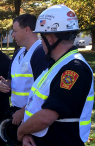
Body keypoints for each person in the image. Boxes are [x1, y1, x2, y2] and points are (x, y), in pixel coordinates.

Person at [17, 5, 94, 146]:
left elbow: (46, 117)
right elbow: (37, 103)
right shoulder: (57, 64)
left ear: (50, 39)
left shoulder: (74, 70)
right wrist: (29, 131)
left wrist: (21, 131)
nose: (41, 42)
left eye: (42, 37)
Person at [0, 14, 48, 144]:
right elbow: (11, 80)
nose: (12, 35)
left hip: (31, 115)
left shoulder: (40, 53)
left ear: (27, 30)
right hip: (17, 113)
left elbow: (43, 91)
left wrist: (23, 111)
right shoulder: (18, 53)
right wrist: (4, 84)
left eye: (15, 31)